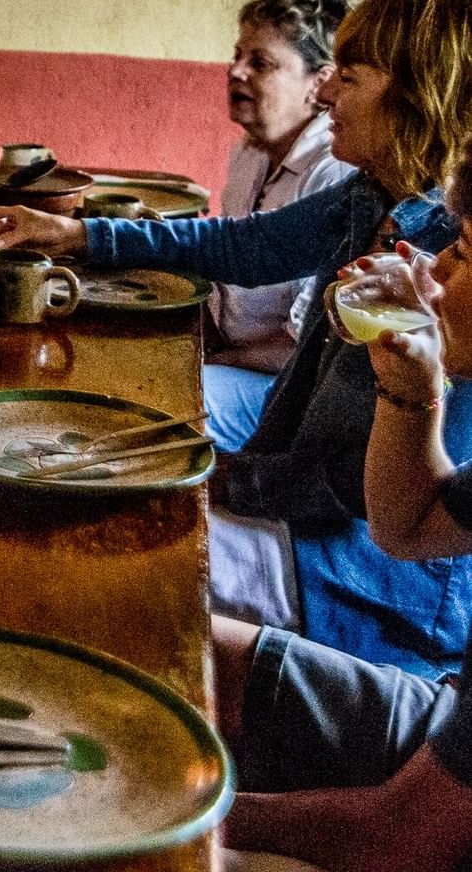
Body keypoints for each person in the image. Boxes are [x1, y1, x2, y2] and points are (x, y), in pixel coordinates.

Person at [0, 0, 472, 674]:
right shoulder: (371, 199)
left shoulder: (453, 266)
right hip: (297, 523)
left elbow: (381, 495)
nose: (324, 96)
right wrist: (77, 233)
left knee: (104, 544)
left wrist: (227, 481)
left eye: (347, 77)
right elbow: (242, 246)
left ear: (416, 97)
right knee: (84, 497)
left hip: (361, 578)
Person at [215, 147, 472, 871]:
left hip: (431, 821)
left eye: (461, 250)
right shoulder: (368, 201)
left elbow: (405, 837)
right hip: (442, 725)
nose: (438, 274)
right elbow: (407, 525)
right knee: (146, 634)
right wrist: (409, 383)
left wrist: (177, 805)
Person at [206, 0, 354, 450]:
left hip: (283, 386)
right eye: (237, 55)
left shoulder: (333, 173)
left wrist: (211, 358)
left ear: (319, 82)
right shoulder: (250, 151)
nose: (236, 71)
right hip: (230, 357)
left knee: (168, 399)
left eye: (261, 63)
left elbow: (301, 345)